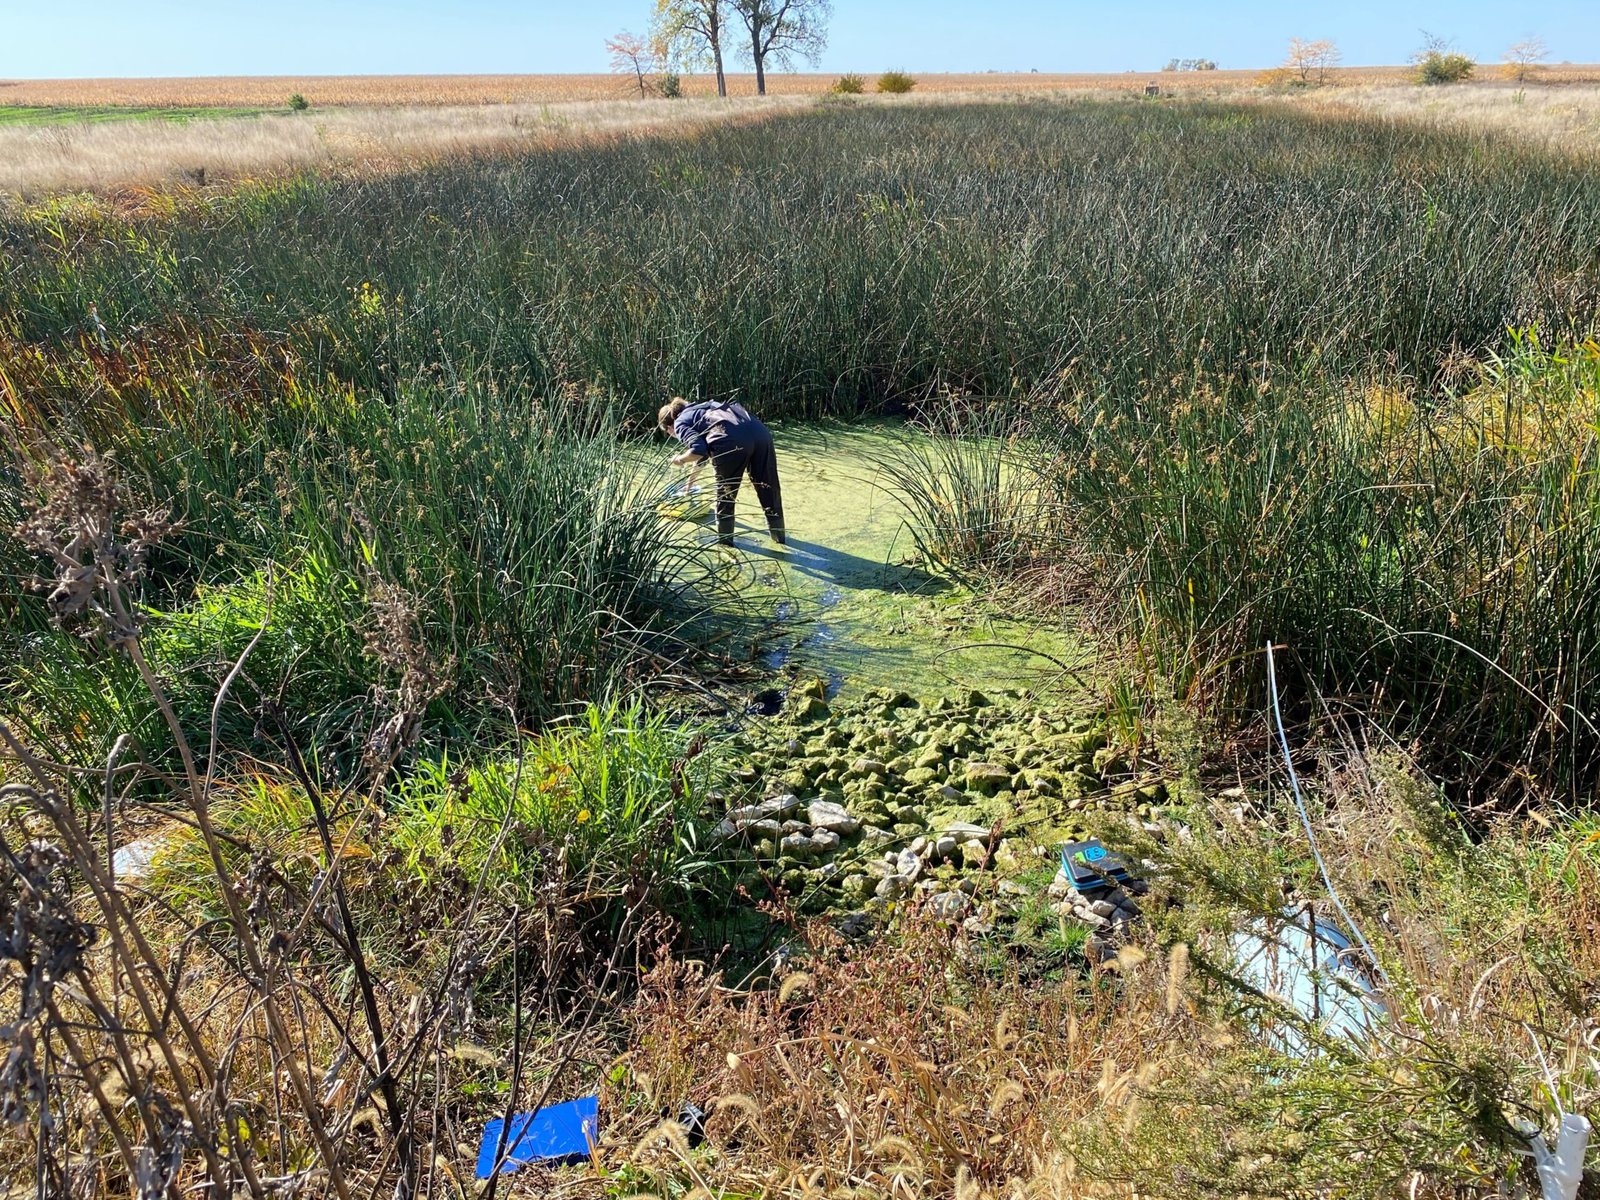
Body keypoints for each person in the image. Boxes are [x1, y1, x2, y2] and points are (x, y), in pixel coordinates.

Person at [658, 396, 785, 547]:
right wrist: (689, 484)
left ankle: (725, 545)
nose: (672, 435)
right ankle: (779, 539)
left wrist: (680, 459)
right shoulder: (703, 408)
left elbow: (697, 450)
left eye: (668, 433)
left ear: (669, 427)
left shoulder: (679, 422)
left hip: (731, 441)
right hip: (760, 432)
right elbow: (703, 455)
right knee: (768, 488)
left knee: (726, 496)